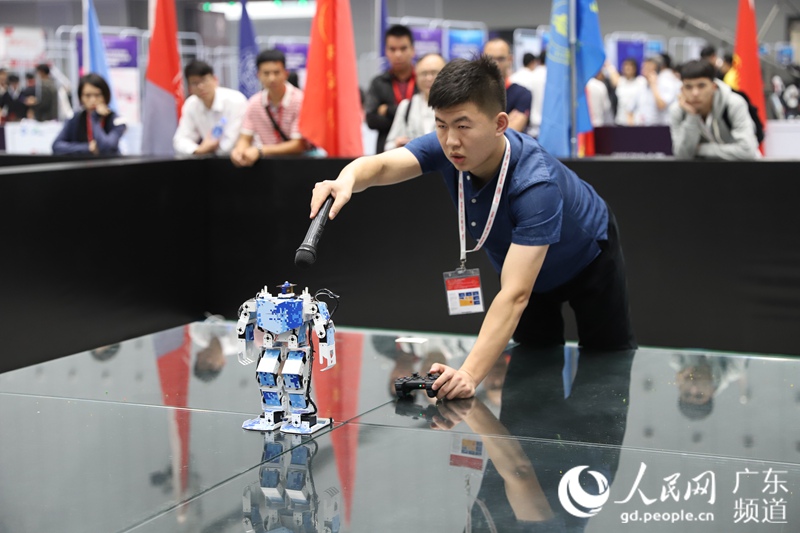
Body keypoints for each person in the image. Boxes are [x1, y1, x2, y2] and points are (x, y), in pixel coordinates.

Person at [309, 56, 636, 400]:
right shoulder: (449, 147)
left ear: (499, 124)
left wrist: (468, 374)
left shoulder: (536, 186)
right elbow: (382, 166)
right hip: (526, 268)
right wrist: (345, 180)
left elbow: (514, 295)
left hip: (589, 256)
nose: (451, 141)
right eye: (441, 124)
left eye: (463, 126)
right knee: (532, 367)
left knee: (607, 368)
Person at [668, 60, 759, 160]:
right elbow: (681, 156)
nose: (695, 93)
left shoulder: (733, 104)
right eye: (688, 87)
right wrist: (692, 116)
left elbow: (747, 151)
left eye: (701, 86)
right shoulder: (678, 111)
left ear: (713, 87)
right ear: (682, 89)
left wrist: (701, 149)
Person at [230, 49, 306, 167]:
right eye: (266, 73)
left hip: (299, 165)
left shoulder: (300, 101)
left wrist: (261, 150)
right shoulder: (254, 103)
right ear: (258, 75)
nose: (272, 78)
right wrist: (239, 151)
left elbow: (298, 145)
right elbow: (245, 138)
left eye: (276, 72)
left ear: (286, 73)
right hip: (268, 166)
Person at [173, 59, 247, 156]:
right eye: (195, 83)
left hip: (239, 156)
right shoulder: (191, 104)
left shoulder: (235, 100)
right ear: (190, 89)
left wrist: (206, 150)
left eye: (204, 80)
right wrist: (198, 150)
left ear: (215, 80)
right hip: (208, 157)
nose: (200, 86)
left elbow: (230, 143)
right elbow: (180, 140)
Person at [364, 24, 417, 154]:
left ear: (412, 50)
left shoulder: (422, 82)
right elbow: (371, 120)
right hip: (386, 151)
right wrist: (411, 117)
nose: (398, 54)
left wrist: (388, 110)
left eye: (403, 48)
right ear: (386, 51)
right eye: (392, 49)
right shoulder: (378, 82)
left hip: (419, 151)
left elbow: (430, 115)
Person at [51, 72, 126, 155]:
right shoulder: (75, 118)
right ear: (80, 97)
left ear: (105, 96)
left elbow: (106, 148)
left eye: (97, 95)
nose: (93, 100)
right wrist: (87, 148)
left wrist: (95, 118)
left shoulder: (116, 120)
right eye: (87, 95)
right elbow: (56, 146)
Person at [384, 53, 446, 151]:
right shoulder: (406, 106)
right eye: (424, 74)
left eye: (434, 73)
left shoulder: (456, 106)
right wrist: (397, 145)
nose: (429, 78)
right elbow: (388, 146)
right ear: (416, 77)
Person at [483, 38, 531, 133]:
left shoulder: (522, 94)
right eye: (490, 58)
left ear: (510, 59)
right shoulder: (473, 93)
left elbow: (511, 132)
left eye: (500, 59)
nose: (495, 63)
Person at [634, 56, 679, 125]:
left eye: (648, 68)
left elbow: (661, 105)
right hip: (642, 125)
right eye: (643, 68)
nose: (644, 71)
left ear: (656, 70)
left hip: (660, 126)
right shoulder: (641, 84)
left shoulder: (665, 84)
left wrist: (653, 85)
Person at [608, 57, 646, 125]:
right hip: (621, 120)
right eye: (625, 65)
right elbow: (612, 72)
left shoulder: (641, 81)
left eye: (630, 66)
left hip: (637, 122)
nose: (627, 68)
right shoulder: (620, 81)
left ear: (635, 68)